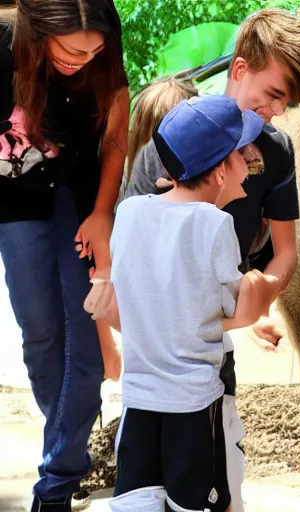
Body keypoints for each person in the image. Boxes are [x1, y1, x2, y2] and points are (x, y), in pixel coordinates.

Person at [121, 8, 300, 511]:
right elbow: (135, 256)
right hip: (157, 358)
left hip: (212, 353)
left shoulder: (276, 152)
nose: (278, 110)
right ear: (239, 69)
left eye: (288, 101)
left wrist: (252, 301)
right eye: (274, 93)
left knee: (216, 481)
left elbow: (285, 254)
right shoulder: (176, 133)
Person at [104, 95, 272, 512]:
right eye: (240, 153)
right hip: (193, 406)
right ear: (219, 172)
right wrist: (258, 289)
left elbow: (138, 296)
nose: (249, 160)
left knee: (137, 503)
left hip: (139, 402)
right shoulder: (215, 224)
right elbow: (233, 309)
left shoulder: (129, 213)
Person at [0, 1, 129, 510]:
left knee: (85, 344)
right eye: (74, 49)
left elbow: (116, 139)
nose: (85, 58)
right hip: (13, 205)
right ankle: (67, 446)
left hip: (71, 201)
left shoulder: (99, 56)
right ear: (38, 31)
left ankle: (56, 478)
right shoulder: (4, 47)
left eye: (95, 50)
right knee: (40, 337)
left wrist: (102, 213)